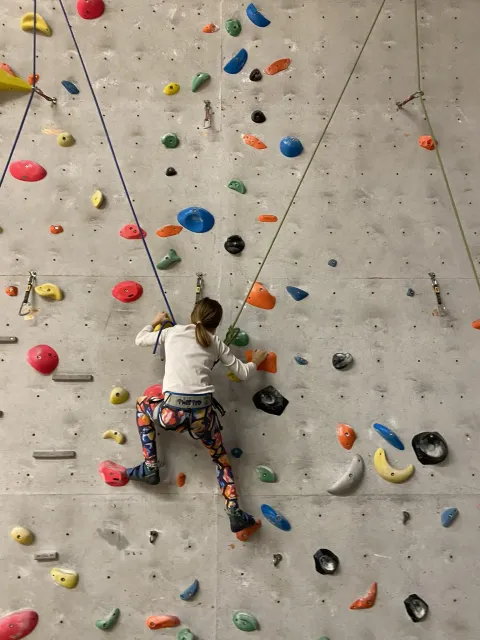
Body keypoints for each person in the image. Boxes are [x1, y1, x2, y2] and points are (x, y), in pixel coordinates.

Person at [129, 297, 268, 539]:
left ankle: (150, 467)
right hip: (202, 418)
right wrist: (255, 362)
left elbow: (140, 339)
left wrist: (155, 322)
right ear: (217, 324)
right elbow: (243, 373)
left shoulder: (172, 333)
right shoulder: (216, 343)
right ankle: (234, 511)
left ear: (193, 315)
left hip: (171, 414)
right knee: (220, 460)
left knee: (142, 403)